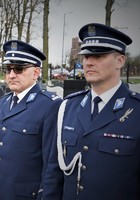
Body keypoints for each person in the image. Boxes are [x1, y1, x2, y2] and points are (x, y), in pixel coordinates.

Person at [43, 23, 139, 200]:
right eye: (86, 56)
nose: (88, 62)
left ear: (120, 61)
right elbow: (53, 173)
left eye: (98, 55)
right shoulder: (68, 107)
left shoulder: (137, 110)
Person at [0, 40, 62, 200]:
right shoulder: (1, 104)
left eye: (19, 69)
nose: (11, 75)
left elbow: (51, 166)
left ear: (36, 73)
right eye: (8, 69)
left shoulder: (50, 106)